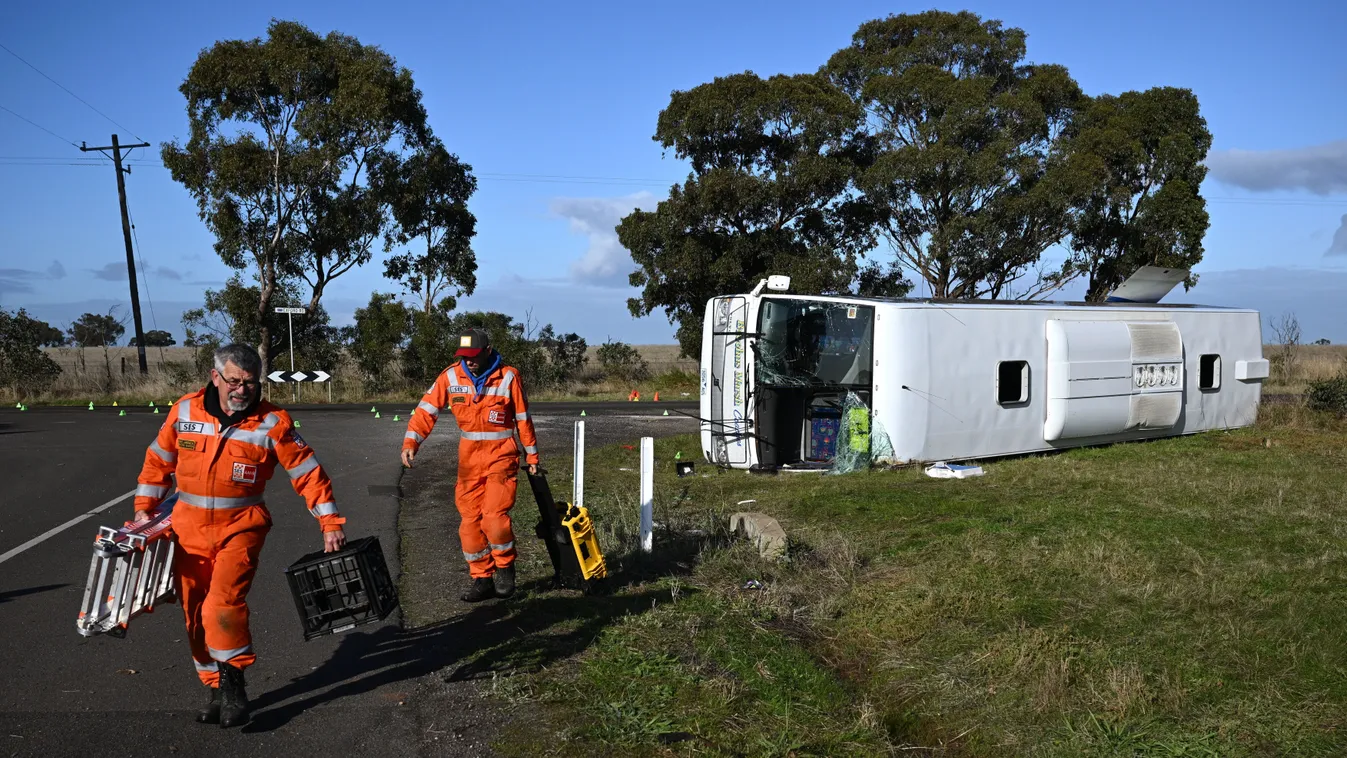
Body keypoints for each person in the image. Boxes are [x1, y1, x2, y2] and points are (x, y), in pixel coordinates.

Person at [132, 343, 346, 728]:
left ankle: (234, 686)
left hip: (241, 527)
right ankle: (214, 688)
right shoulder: (184, 411)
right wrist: (144, 510)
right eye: (234, 381)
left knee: (222, 605)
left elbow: (308, 473)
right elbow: (158, 462)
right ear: (215, 377)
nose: (242, 390)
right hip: (188, 530)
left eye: (250, 383)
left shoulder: (272, 423)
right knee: (194, 612)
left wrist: (330, 522)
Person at [401, 327, 540, 602]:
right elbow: (426, 410)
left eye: (474, 355)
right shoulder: (450, 376)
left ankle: (505, 569)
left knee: (494, 518)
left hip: (501, 457)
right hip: (469, 462)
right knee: (469, 523)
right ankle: (482, 578)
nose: (469, 361)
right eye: (464, 356)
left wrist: (532, 457)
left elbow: (523, 419)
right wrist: (411, 442)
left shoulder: (508, 377)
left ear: (487, 351)